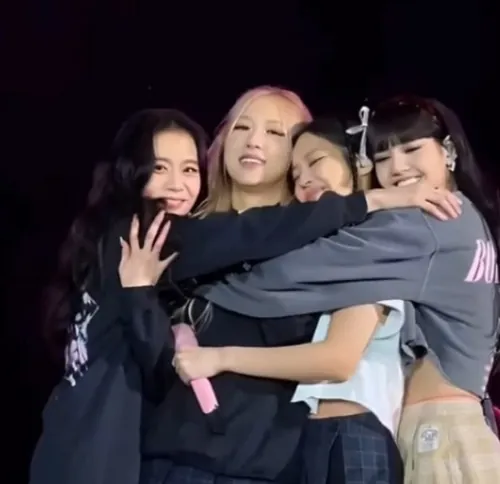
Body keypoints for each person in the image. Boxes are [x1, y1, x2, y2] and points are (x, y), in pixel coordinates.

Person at [30, 95, 443, 484]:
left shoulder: (330, 250)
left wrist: (370, 202)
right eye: (242, 126)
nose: (254, 141)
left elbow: (338, 356)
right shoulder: (159, 240)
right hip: (149, 461)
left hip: (258, 466)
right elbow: (157, 367)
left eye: (276, 132)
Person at [189, 96, 500, 483]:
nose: (397, 167)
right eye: (384, 157)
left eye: (412, 149)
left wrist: (205, 285)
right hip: (442, 426)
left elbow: (296, 274)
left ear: (449, 151)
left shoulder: (428, 221)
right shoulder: (461, 218)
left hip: (433, 435)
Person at [174, 115, 407, 484]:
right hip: (312, 437)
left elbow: (336, 360)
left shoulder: (370, 247)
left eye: (316, 162)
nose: (304, 181)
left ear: (358, 163)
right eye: (295, 175)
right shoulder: (327, 249)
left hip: (355, 431)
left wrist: (220, 357)